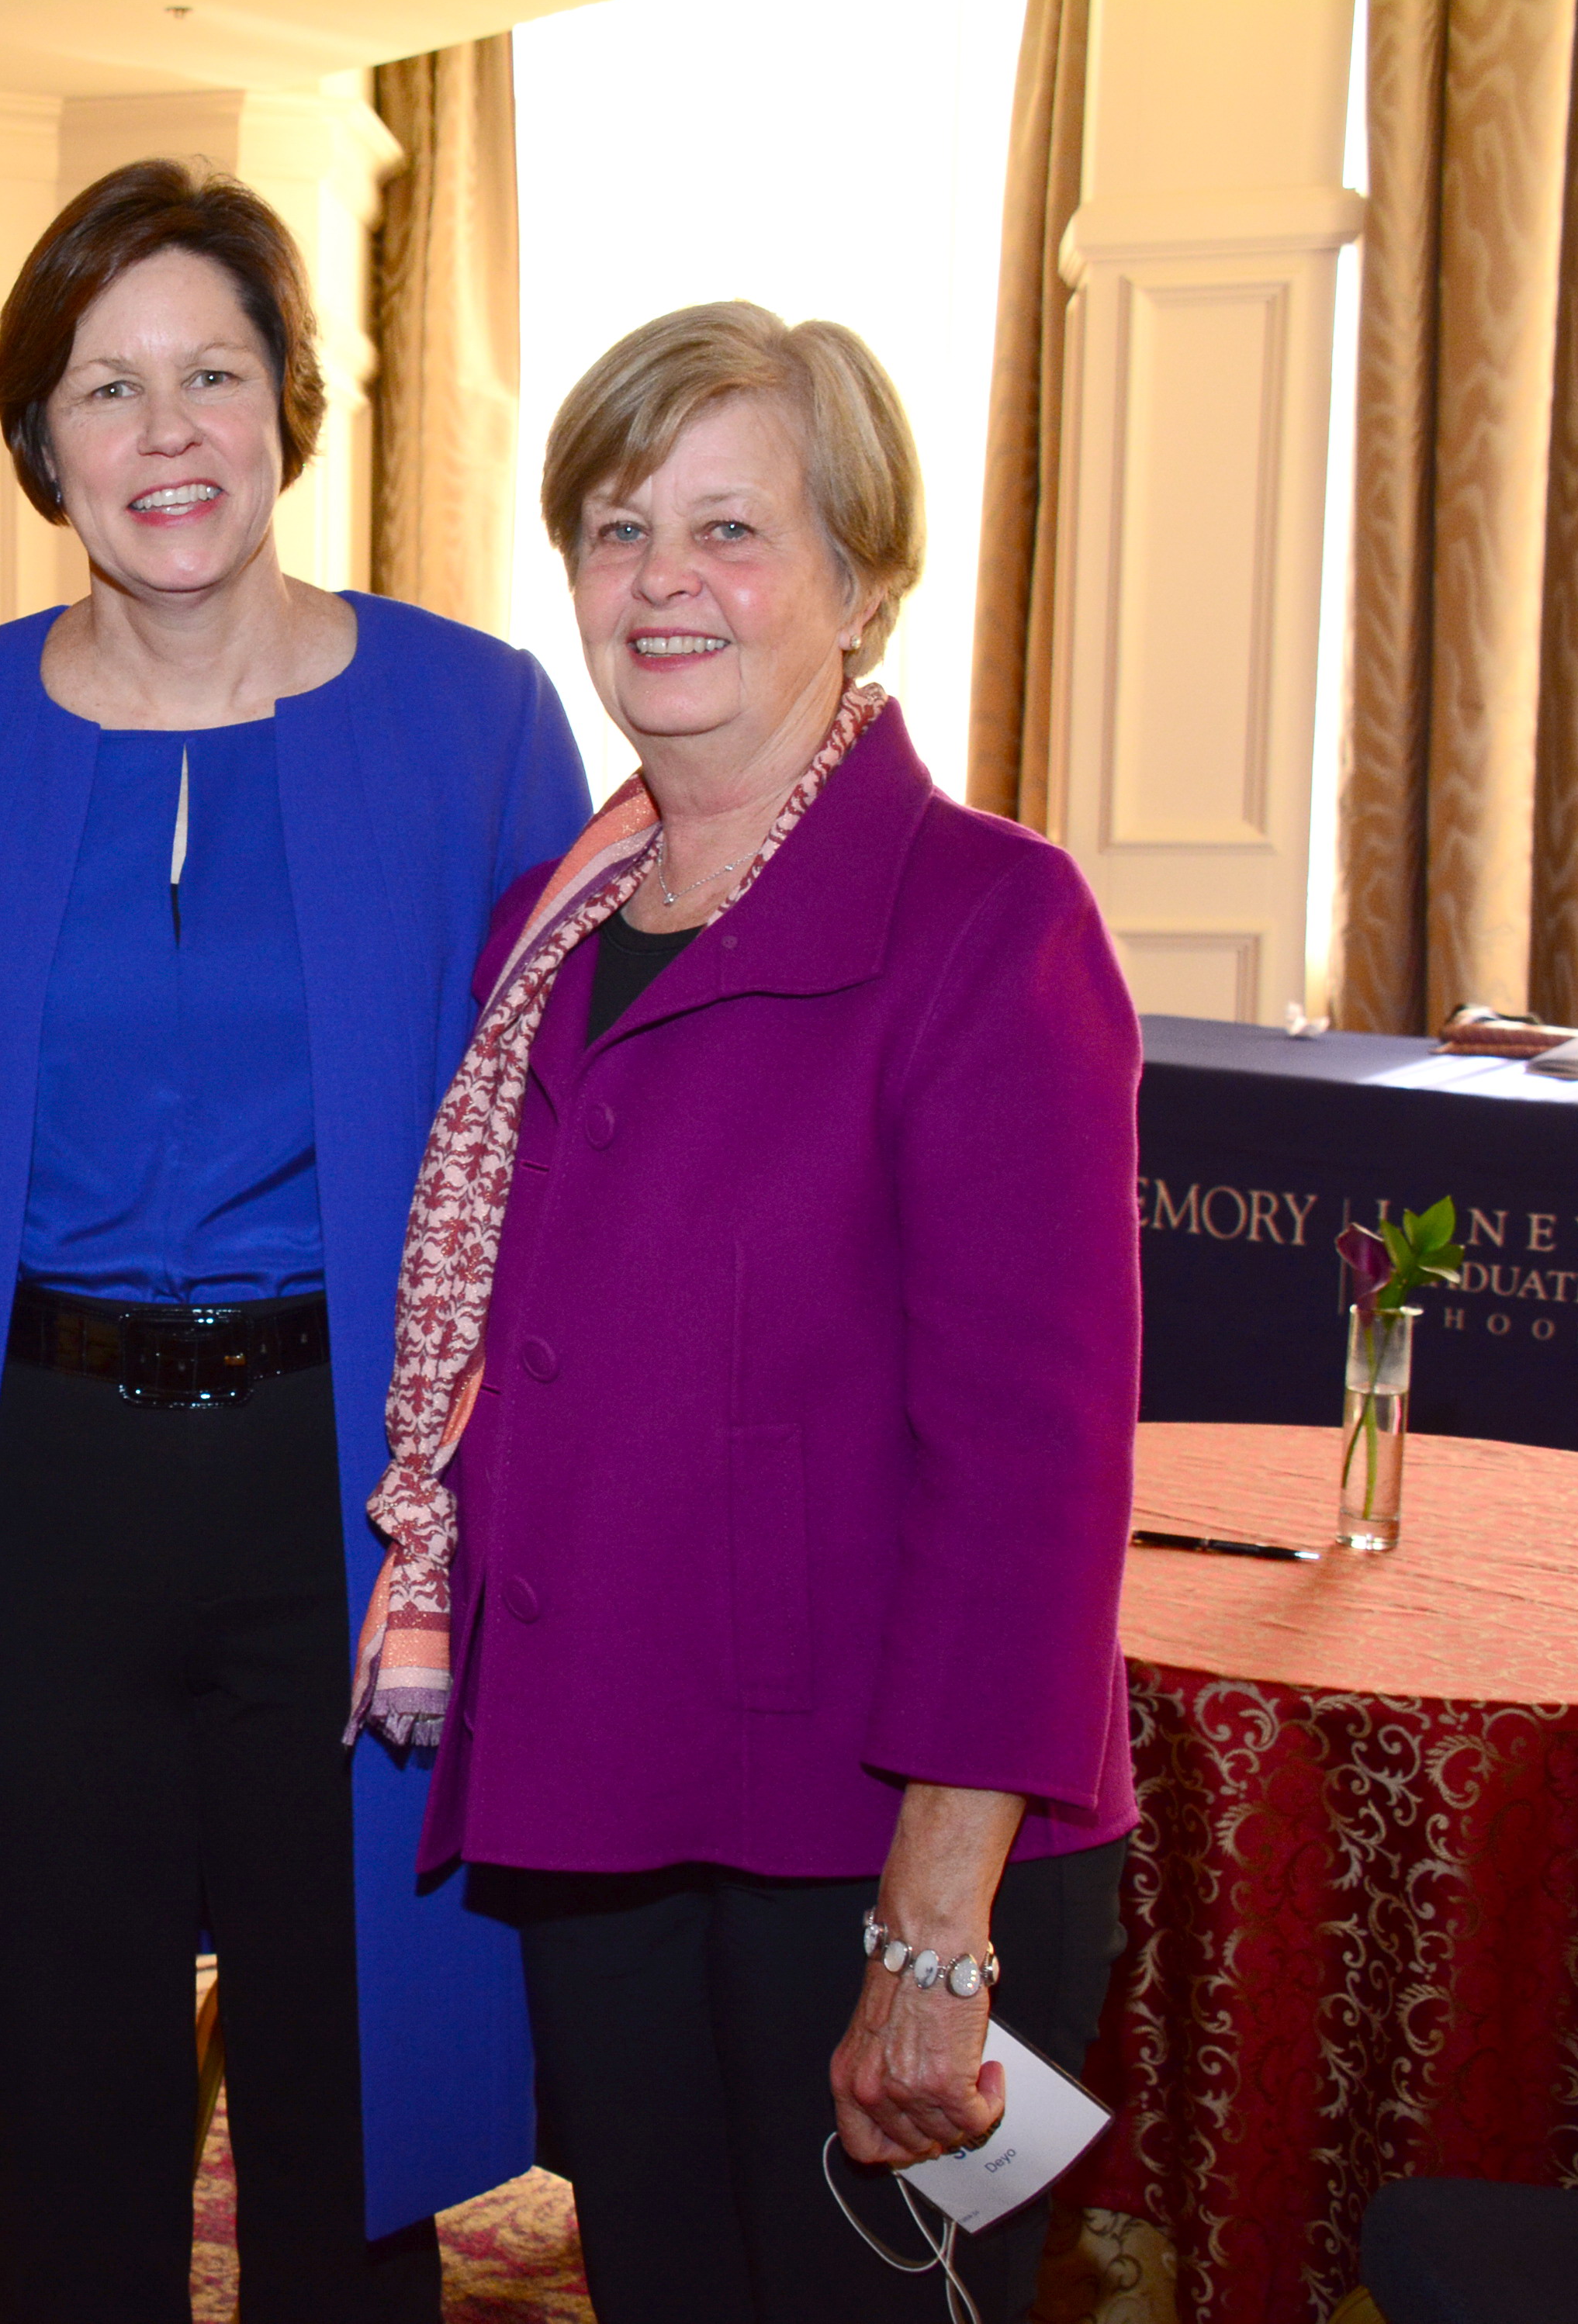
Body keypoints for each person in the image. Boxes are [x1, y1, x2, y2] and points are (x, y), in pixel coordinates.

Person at [351, 300, 1140, 2324]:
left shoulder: (990, 918)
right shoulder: (552, 927)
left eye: (731, 529)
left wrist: (934, 1933)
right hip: (606, 1809)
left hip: (884, 1852)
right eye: (619, 530)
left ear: (860, 585)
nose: (661, 582)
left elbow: (1032, 1476)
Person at [0, 159, 590, 2320]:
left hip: (348, 1500)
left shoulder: (474, 720)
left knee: (349, 2140)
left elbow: (567, 1157)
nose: (165, 433)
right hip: (35, 1500)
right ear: (38, 437)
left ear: (290, 404)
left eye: (212, 375)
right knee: (69, 2139)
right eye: (108, 387)